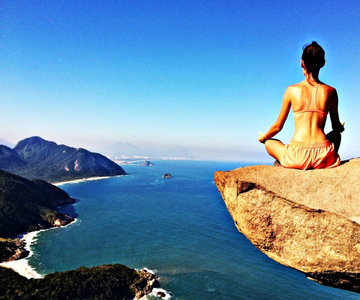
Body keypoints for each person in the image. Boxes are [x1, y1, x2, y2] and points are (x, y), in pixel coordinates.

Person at [258, 42, 344, 170]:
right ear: (323, 63)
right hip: (323, 156)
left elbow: (277, 127)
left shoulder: (291, 90)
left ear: (301, 63)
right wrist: (340, 127)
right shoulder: (331, 91)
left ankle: (282, 154)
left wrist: (264, 137)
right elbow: (336, 127)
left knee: (269, 142)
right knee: (336, 135)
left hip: (297, 156)